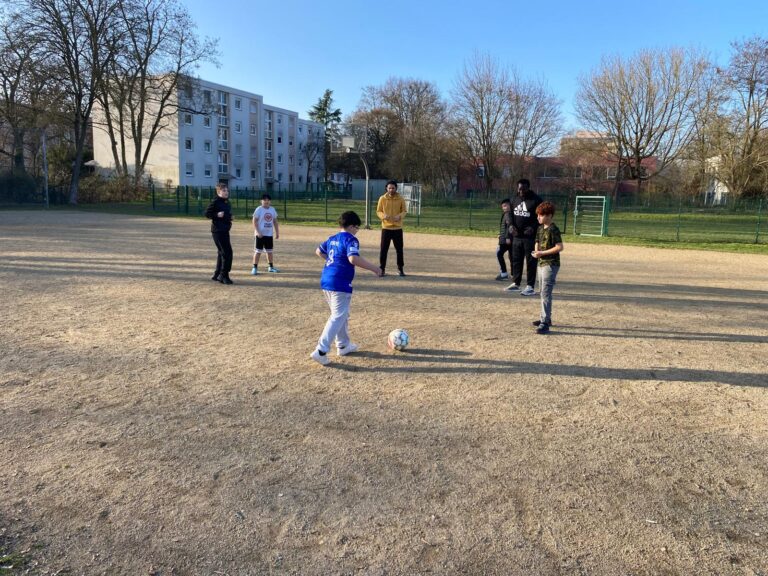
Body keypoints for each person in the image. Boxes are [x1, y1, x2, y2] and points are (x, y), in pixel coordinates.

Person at [310, 211, 382, 366]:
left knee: (341, 314)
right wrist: (374, 268)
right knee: (337, 316)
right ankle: (321, 351)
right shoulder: (351, 239)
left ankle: (343, 345)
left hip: (326, 280)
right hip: (340, 282)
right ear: (351, 226)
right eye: (357, 228)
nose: (357, 231)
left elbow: (318, 251)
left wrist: (333, 260)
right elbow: (353, 258)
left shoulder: (332, 238)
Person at [505, 178, 542, 295]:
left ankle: (530, 286)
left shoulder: (536, 200)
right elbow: (509, 214)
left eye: (523, 189)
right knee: (516, 260)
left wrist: (533, 227)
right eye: (519, 189)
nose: (521, 191)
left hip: (529, 237)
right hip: (517, 236)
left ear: (528, 188)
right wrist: (511, 225)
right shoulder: (514, 198)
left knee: (531, 262)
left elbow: (541, 217)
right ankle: (516, 283)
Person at [531, 201, 564, 334]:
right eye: (537, 215)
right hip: (541, 263)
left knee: (546, 292)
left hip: (551, 264)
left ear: (549, 215)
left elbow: (560, 247)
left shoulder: (553, 229)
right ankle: (545, 318)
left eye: (541, 215)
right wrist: (536, 251)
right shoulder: (540, 228)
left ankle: (545, 322)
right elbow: (537, 242)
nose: (538, 217)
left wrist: (542, 253)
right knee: (542, 292)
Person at [376, 179, 407, 276]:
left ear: (396, 188)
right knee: (384, 249)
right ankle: (382, 269)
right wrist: (383, 216)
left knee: (399, 250)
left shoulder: (401, 198)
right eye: (389, 188)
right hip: (386, 228)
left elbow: (404, 211)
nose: (391, 190)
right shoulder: (382, 198)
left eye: (393, 188)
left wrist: (400, 216)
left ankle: (400, 269)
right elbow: (378, 211)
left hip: (397, 228)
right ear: (386, 188)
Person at [204, 182, 234, 284]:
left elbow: (226, 215)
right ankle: (224, 275)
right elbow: (207, 214)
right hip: (218, 231)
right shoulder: (215, 201)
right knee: (227, 253)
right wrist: (217, 214)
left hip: (225, 230)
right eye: (224, 191)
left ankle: (217, 274)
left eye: (227, 190)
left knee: (222, 252)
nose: (226, 192)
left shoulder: (226, 202)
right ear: (218, 192)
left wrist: (230, 217)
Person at [251, 193, 280, 275]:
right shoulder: (259, 209)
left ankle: (270, 267)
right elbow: (254, 221)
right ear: (261, 201)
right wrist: (258, 232)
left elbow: (275, 221)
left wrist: (277, 232)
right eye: (264, 200)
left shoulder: (272, 209)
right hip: (260, 235)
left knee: (269, 251)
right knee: (258, 251)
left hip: (269, 234)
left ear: (270, 201)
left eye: (268, 200)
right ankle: (254, 267)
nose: (266, 201)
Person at [495, 198, 514, 281]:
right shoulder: (507, 213)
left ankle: (504, 273)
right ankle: (514, 274)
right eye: (502, 206)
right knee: (512, 256)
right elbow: (505, 226)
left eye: (505, 206)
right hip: (506, 239)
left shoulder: (508, 214)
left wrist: (507, 237)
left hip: (506, 240)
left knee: (499, 253)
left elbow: (510, 226)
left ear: (510, 205)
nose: (504, 208)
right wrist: (500, 234)